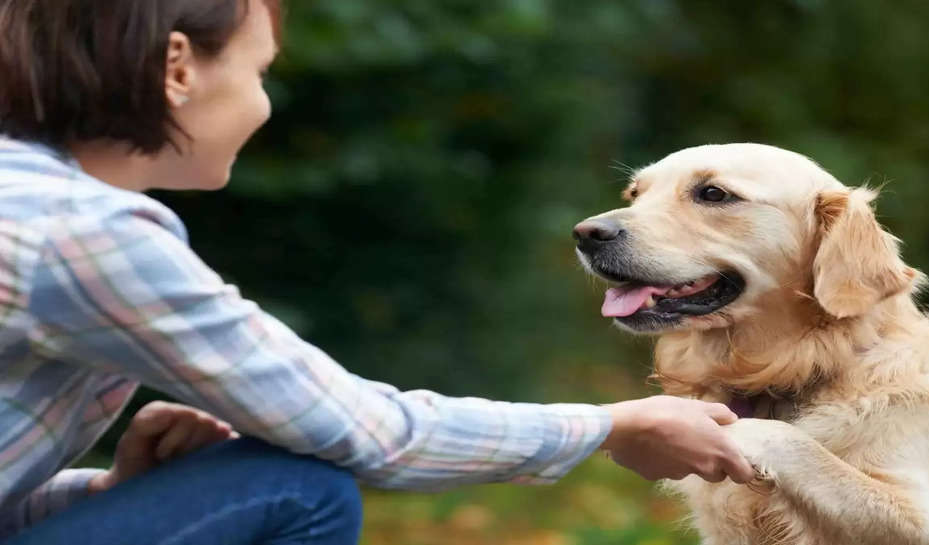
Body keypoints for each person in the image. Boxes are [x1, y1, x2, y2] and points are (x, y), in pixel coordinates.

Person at [0, 0, 755, 543]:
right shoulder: (86, 233)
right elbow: (369, 433)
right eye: (260, 70)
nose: (263, 102)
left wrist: (107, 494)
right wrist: (609, 427)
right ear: (177, 67)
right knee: (295, 488)